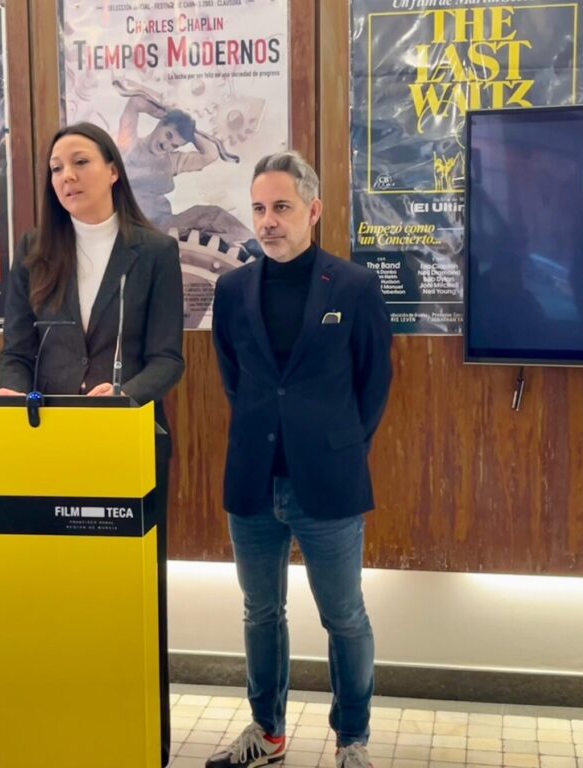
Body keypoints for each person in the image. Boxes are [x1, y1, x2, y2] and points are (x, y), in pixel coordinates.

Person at [0, 121, 184, 766]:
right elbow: (16, 351)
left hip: (125, 446)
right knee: (56, 603)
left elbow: (168, 359)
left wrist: (124, 396)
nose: (66, 176)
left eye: (79, 162)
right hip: (46, 448)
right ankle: (58, 733)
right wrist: (12, 390)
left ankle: (135, 740)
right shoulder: (33, 250)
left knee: (126, 606)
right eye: (55, 168)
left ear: (112, 170)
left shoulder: (153, 251)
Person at [208, 151, 393, 768]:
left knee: (344, 617)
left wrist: (342, 447)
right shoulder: (232, 289)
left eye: (281, 207)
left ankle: (352, 740)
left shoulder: (354, 287)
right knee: (261, 613)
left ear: (313, 211)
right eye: (259, 208)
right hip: (253, 482)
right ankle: (268, 732)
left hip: (329, 481)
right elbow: (235, 379)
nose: (268, 221)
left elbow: (373, 383)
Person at [116, 92, 257, 249]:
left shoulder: (172, 161)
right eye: (168, 135)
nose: (166, 145)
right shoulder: (128, 146)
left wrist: (190, 131)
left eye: (175, 145)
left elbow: (210, 154)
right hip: (134, 226)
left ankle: (255, 249)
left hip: (164, 226)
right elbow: (135, 102)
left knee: (212, 214)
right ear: (160, 124)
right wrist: (167, 113)